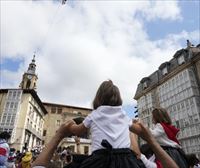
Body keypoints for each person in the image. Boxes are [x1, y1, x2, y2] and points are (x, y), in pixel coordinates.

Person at [66, 80, 145, 168]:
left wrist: (70, 125)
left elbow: (78, 130)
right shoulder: (123, 114)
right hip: (125, 159)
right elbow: (138, 130)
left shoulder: (94, 115)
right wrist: (139, 123)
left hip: (100, 159)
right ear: (118, 98)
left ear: (98, 98)